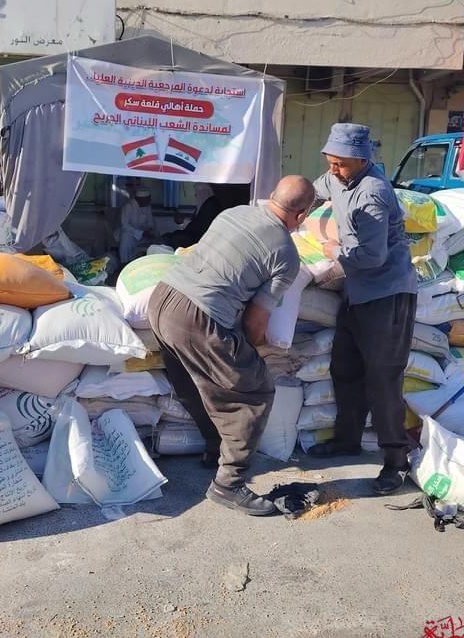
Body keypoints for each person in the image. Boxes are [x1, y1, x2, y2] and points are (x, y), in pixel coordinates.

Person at [147, 175, 316, 516]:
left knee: (194, 382)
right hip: (198, 316)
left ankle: (214, 449)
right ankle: (229, 484)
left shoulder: (234, 212)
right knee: (253, 390)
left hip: (161, 299)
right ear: (302, 215)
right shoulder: (285, 252)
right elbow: (256, 322)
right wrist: (254, 352)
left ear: (271, 197)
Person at [307, 123, 418, 495]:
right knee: (345, 367)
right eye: (330, 163)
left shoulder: (373, 193)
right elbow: (314, 191)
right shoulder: (338, 177)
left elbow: (372, 256)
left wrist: (331, 255)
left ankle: (396, 462)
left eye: (340, 165)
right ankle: (347, 439)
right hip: (356, 293)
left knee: (383, 380)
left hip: (386, 295)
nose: (333, 171)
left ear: (361, 159)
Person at [119, 186, 155, 263]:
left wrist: (149, 231)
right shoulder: (128, 206)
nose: (150, 201)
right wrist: (141, 233)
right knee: (126, 236)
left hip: (144, 236)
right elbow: (125, 225)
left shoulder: (147, 207)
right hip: (130, 235)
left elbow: (151, 223)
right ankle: (124, 263)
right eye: (148, 199)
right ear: (140, 199)